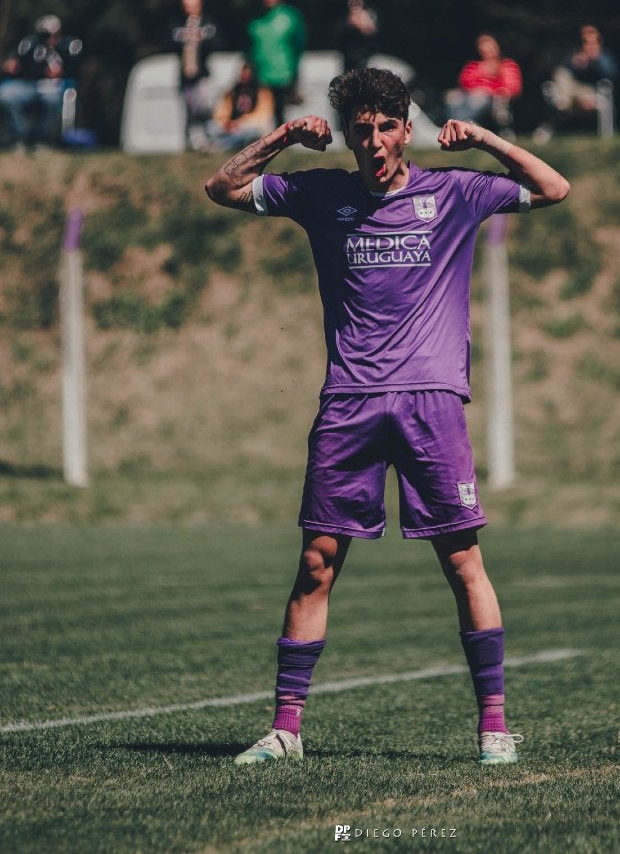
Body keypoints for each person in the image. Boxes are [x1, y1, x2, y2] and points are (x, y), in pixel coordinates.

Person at [205, 67, 570, 767]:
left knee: (462, 561)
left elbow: (554, 188)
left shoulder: (455, 191)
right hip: (348, 402)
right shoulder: (321, 193)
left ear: (407, 128)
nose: (373, 141)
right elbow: (220, 188)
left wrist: (487, 138)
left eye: (386, 127)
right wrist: (282, 135)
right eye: (360, 129)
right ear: (348, 134)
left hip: (431, 402)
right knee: (316, 563)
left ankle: (494, 729)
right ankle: (286, 731)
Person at [0, 14, 82, 149]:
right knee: (6, 94)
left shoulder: (69, 46)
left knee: (51, 97)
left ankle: (42, 137)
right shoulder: (30, 44)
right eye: (46, 35)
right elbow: (17, 63)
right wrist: (11, 64)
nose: (50, 39)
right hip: (28, 84)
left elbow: (75, 69)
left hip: (53, 86)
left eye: (53, 35)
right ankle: (20, 135)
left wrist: (62, 72)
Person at [532, 24, 617, 143]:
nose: (589, 45)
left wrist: (595, 61)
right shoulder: (575, 55)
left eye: (592, 42)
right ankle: (562, 103)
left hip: (591, 91)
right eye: (585, 42)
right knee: (561, 74)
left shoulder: (604, 56)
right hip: (571, 91)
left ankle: (561, 105)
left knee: (558, 97)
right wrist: (575, 63)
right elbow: (561, 72)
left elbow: (610, 74)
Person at [247, 0, 307, 127]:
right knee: (263, 108)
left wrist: (294, 68)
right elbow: (250, 45)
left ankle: (282, 137)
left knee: (281, 108)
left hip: (283, 70)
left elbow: (300, 43)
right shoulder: (256, 19)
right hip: (261, 70)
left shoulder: (291, 17)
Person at [169, 0, 221, 150]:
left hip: (202, 74)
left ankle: (209, 139)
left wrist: (201, 38)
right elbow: (168, 42)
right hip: (186, 75)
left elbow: (218, 42)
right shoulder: (177, 24)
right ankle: (192, 142)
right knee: (189, 109)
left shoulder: (208, 22)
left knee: (205, 106)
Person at [445, 34, 522, 138]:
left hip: (494, 99)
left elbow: (511, 86)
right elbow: (465, 83)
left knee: (478, 98)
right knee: (453, 97)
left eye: (489, 47)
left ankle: (461, 125)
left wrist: (488, 89)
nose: (485, 51)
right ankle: (455, 126)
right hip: (470, 97)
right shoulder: (473, 66)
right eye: (482, 48)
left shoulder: (506, 65)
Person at [204, 61, 275, 151]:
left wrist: (239, 123)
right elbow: (221, 113)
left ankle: (221, 145)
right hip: (231, 127)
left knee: (253, 132)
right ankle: (228, 142)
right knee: (210, 127)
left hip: (248, 126)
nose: (245, 78)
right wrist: (227, 123)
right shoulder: (232, 92)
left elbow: (262, 117)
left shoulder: (263, 93)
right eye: (242, 75)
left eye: (248, 76)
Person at [336, 0, 379, 73]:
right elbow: (337, 33)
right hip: (347, 57)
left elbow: (373, 31)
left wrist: (362, 22)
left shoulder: (370, 10)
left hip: (366, 57)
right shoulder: (342, 10)